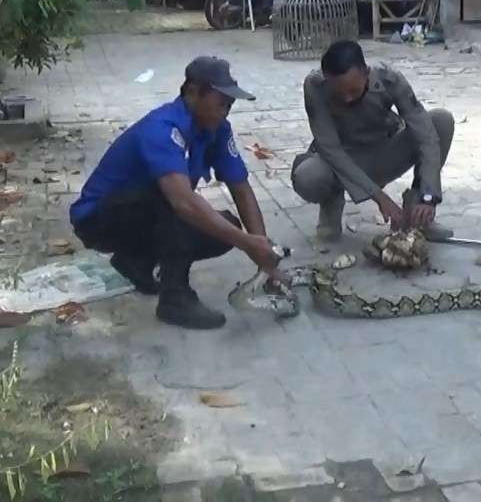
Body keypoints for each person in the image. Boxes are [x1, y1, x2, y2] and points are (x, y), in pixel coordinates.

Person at [70, 56, 286, 330]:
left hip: (139, 213)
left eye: (230, 105)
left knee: (225, 228)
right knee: (178, 204)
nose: (226, 111)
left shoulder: (217, 129)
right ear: (193, 92)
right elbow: (183, 202)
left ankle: (135, 262)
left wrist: (261, 252)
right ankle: (175, 299)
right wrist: (248, 243)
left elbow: (240, 187)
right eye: (221, 102)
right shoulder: (162, 129)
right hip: (98, 220)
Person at [292, 40, 454, 242]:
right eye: (339, 93)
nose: (347, 99)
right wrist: (379, 197)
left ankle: (417, 215)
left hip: (383, 152)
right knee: (308, 176)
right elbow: (330, 149)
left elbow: (425, 135)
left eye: (353, 90)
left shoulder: (389, 79)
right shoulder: (315, 86)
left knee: (441, 121)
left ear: (366, 72)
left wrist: (428, 196)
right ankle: (331, 204)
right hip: (341, 161)